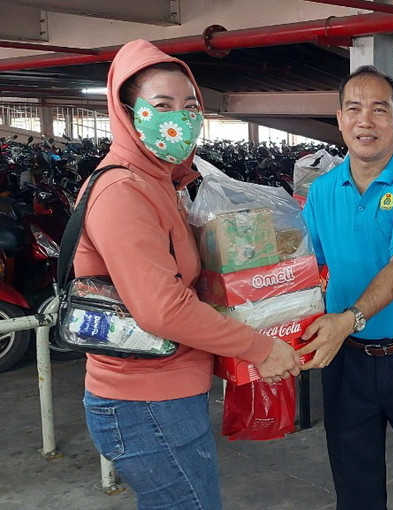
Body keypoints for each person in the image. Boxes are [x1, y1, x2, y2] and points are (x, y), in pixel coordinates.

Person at [78, 39, 301, 510]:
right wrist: (261, 347)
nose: (179, 117)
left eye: (190, 106)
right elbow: (163, 307)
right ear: (127, 110)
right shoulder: (123, 190)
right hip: (144, 402)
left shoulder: (161, 181)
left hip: (166, 393)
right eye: (162, 105)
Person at [297, 66, 393, 510]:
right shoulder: (323, 191)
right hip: (347, 360)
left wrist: (349, 318)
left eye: (379, 110)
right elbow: (308, 269)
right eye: (354, 109)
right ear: (340, 118)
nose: (365, 120)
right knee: (355, 485)